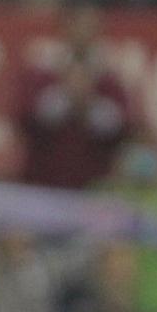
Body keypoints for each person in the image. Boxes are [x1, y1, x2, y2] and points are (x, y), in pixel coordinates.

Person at [19, 11, 132, 190]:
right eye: (80, 26)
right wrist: (67, 95)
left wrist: (89, 103)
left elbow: (122, 127)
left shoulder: (109, 78)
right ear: (66, 27)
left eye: (91, 27)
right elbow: (27, 118)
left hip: (94, 182)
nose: (85, 33)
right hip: (44, 179)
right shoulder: (42, 72)